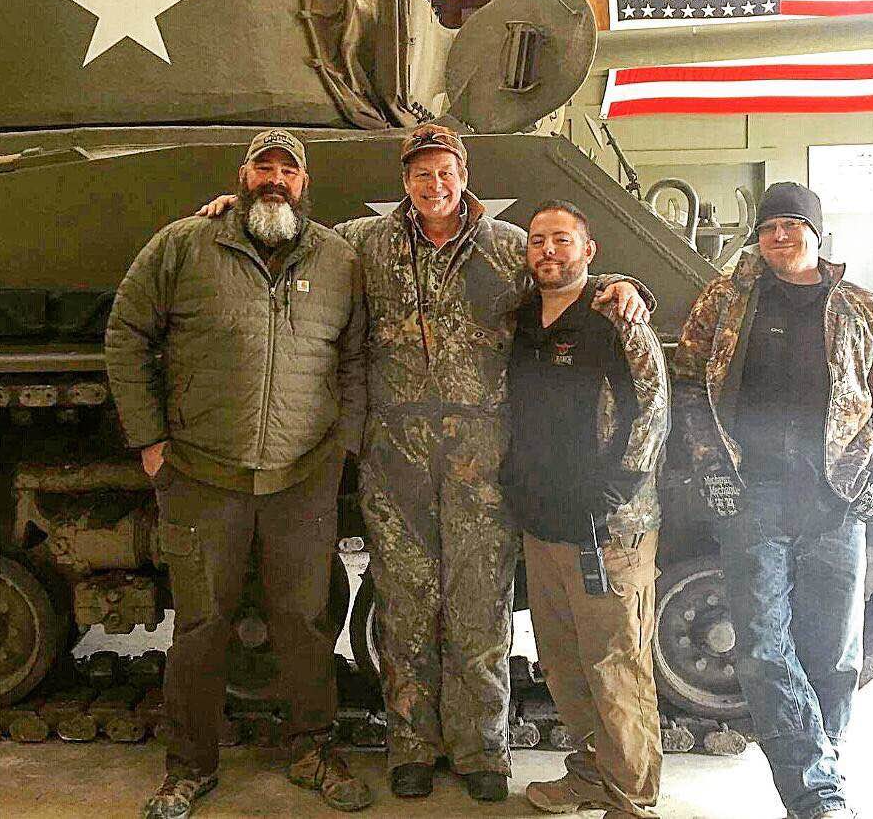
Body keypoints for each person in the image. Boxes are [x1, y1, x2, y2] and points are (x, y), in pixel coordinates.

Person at [195, 124, 649, 804]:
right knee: (405, 605)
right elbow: (288, 239)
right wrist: (236, 208)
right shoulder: (363, 242)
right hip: (396, 454)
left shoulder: (508, 246)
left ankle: (480, 748)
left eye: (445, 173)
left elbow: (566, 273)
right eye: (420, 174)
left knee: (480, 605)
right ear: (405, 182)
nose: (434, 186)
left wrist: (623, 284)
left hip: (482, 456)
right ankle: (411, 744)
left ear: (463, 176)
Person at [105, 130, 371, 819]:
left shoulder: (338, 257)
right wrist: (150, 439)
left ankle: (314, 749)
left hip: (301, 474)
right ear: (242, 176)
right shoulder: (184, 245)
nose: (275, 179)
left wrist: (342, 445)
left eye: (289, 170)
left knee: (306, 621)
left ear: (304, 184)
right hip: (202, 471)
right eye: (263, 167)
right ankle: (189, 766)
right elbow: (128, 333)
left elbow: (355, 356)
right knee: (201, 625)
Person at [672, 182, 873, 819]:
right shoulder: (726, 303)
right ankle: (816, 794)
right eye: (769, 227)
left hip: (837, 495)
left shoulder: (861, 307)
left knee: (834, 652)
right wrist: (710, 464)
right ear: (758, 237)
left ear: (817, 233)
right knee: (761, 646)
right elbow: (688, 382)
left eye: (792, 225)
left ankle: (823, 764)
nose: (780, 236)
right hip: (754, 492)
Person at [500, 200, 668, 819]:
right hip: (544, 522)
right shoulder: (523, 319)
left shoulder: (616, 317)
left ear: (588, 250)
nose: (548, 250)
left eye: (562, 239)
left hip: (607, 527)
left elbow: (653, 406)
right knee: (564, 663)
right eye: (538, 240)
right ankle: (591, 774)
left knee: (615, 664)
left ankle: (632, 798)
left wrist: (617, 490)